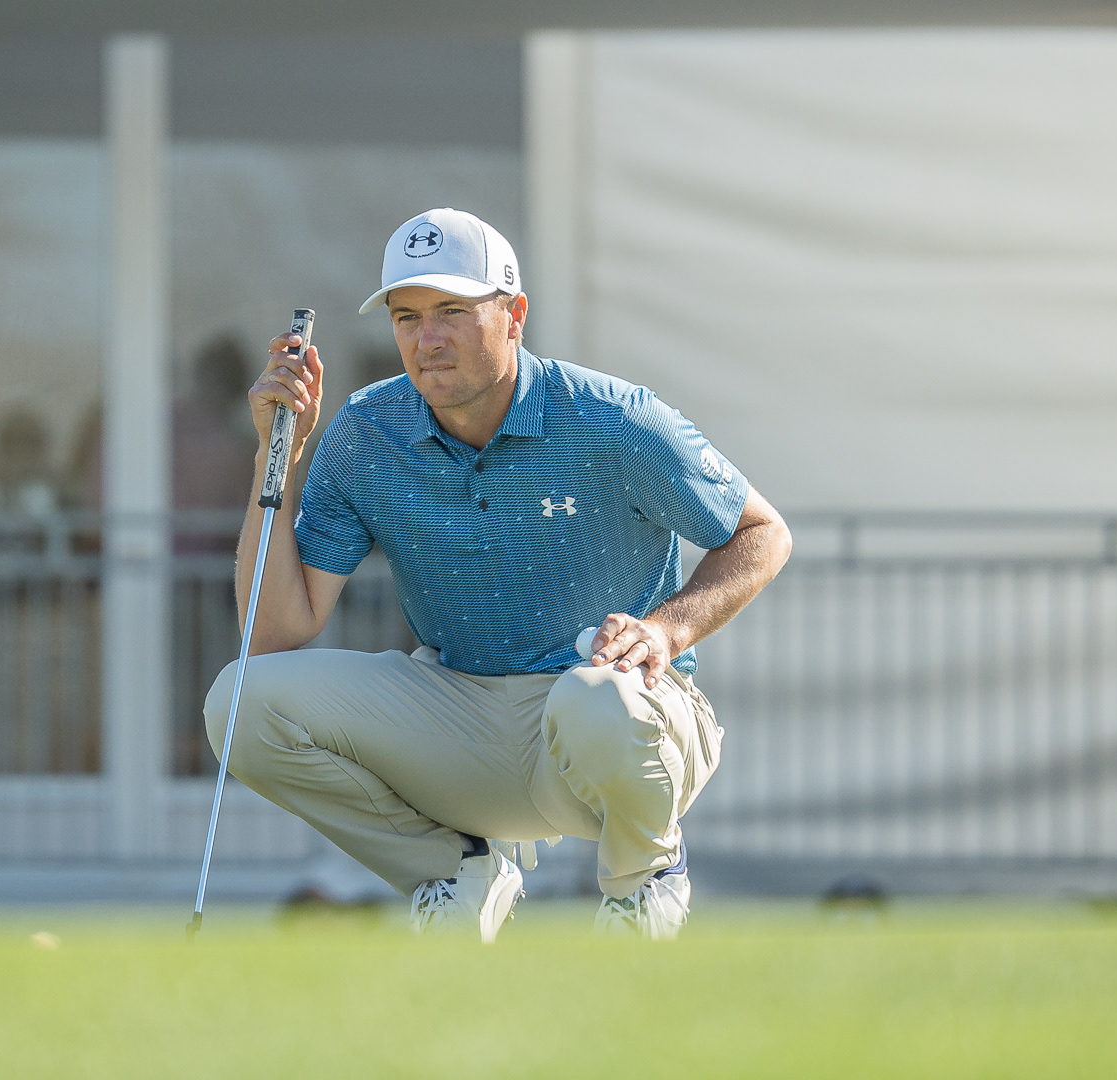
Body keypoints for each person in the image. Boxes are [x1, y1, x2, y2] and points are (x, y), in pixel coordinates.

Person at [204, 208, 793, 941]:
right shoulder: (366, 430)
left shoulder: (613, 418)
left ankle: (644, 881)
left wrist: (666, 629)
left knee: (591, 699)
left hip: (619, 714)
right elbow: (275, 630)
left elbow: (762, 533)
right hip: (466, 719)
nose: (428, 340)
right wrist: (276, 458)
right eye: (408, 316)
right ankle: (455, 872)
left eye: (452, 311)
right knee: (241, 700)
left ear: (514, 315)